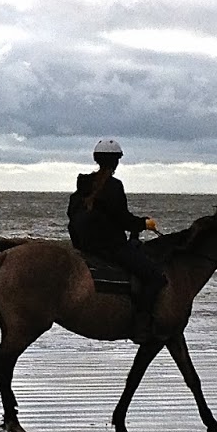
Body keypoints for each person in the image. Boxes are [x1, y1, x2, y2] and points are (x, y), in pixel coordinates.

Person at [67, 139, 164, 341]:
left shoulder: (83, 186)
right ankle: (141, 323)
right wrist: (145, 224)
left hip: (85, 247)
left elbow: (72, 216)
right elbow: (123, 219)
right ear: (116, 162)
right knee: (155, 277)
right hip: (110, 247)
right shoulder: (114, 186)